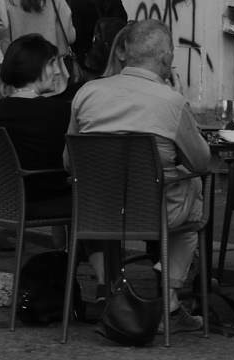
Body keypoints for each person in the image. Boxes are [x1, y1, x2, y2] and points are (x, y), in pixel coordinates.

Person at [66, 18, 213, 333]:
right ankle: (170, 305)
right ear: (165, 58)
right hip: (157, 212)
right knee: (194, 200)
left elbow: (69, 161)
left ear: (125, 53)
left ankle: (112, 290)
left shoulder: (86, 93)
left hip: (99, 211)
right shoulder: (171, 102)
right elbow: (201, 160)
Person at [0, 34, 75, 215]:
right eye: (51, 63)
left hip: (8, 198)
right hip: (53, 198)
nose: (57, 71)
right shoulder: (59, 111)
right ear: (33, 67)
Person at [66, 0, 128, 77]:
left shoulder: (78, 2)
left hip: (86, 69)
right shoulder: (117, 5)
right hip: (113, 69)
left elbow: (73, 39)